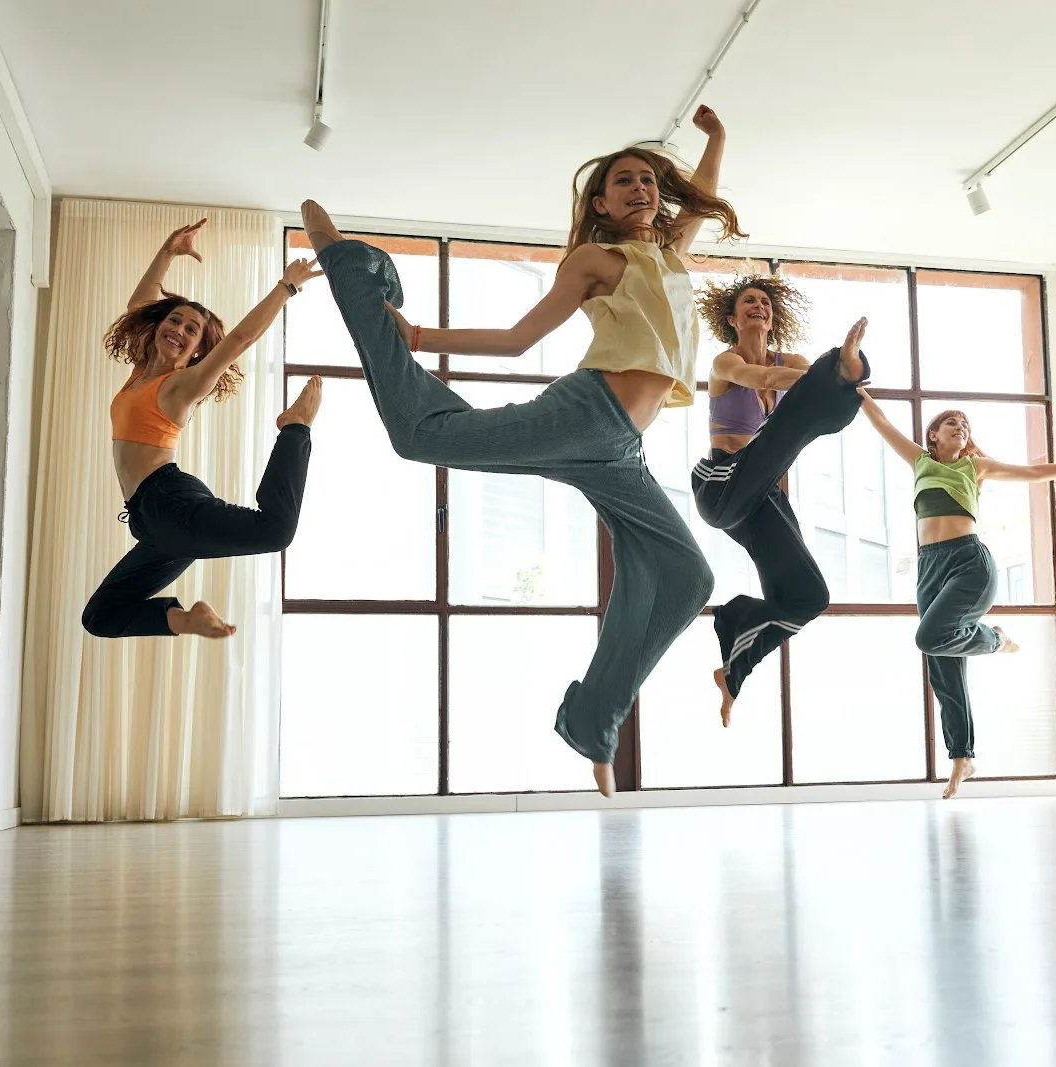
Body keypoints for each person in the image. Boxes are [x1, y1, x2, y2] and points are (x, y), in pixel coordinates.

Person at [300, 105, 739, 796]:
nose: (640, 188)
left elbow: (702, 199)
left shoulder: (669, 256)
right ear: (600, 204)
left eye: (649, 181)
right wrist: (420, 338)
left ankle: (592, 719)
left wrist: (716, 138)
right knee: (419, 436)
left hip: (621, 449)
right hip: (584, 416)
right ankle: (350, 269)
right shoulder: (596, 260)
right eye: (623, 181)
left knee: (688, 578)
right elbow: (517, 339)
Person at [858, 395, 1056, 797]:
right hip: (929, 568)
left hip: (969, 563)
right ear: (933, 434)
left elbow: (1034, 472)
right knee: (943, 669)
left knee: (929, 638)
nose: (960, 428)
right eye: (952, 423)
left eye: (965, 425)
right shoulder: (920, 460)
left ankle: (995, 639)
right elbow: (883, 423)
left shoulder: (976, 467)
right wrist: (858, 391)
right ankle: (962, 758)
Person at [82, 218, 324, 640]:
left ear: (197, 351)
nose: (178, 330)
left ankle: (295, 429)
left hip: (168, 503)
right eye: (174, 321)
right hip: (152, 521)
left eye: (191, 331)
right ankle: (186, 620)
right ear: (159, 326)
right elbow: (139, 305)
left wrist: (287, 286)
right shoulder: (141, 372)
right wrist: (168, 252)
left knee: (276, 531)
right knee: (100, 617)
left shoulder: (182, 386)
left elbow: (240, 339)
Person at [692, 273, 869, 725]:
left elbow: (795, 385)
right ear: (733, 319)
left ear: (773, 319)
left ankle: (733, 660)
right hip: (721, 482)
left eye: (766, 304)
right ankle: (838, 374)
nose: (759, 307)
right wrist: (830, 378)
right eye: (749, 302)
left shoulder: (790, 359)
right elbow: (764, 377)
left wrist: (834, 376)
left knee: (809, 596)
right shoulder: (725, 362)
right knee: (797, 415)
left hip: (760, 493)